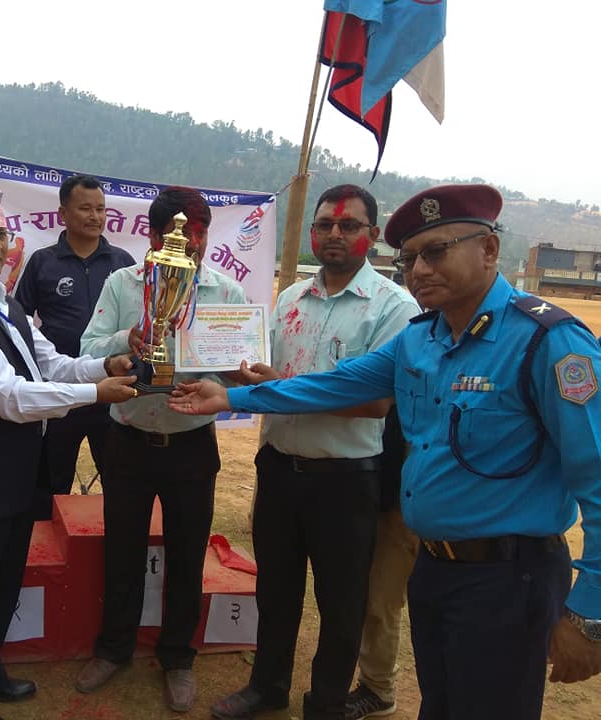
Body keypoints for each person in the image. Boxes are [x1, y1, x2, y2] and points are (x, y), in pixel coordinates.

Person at [169, 184, 601, 720]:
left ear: (489, 249)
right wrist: (231, 397)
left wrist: (590, 614)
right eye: (410, 258)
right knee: (440, 704)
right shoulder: (422, 338)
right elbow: (333, 385)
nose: (419, 270)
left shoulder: (548, 343)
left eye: (436, 252)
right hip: (435, 571)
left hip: (509, 579)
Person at [0, 185, 137, 720]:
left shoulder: (4, 299)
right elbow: (9, 396)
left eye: (0, 234)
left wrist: (103, 366)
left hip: (14, 476)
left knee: (1, 585)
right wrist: (95, 394)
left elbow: (51, 363)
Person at [210, 185, 419, 720]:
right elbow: (268, 375)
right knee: (276, 591)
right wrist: (227, 363)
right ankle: (267, 687)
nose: (334, 234)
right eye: (325, 224)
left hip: (345, 480)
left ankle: (325, 703)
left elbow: (375, 402)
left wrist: (273, 387)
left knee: (342, 603)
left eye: (349, 225)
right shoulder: (290, 299)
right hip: (279, 468)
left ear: (373, 235)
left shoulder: (394, 307)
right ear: (312, 233)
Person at [74, 186, 246, 714]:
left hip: (191, 443)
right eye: (180, 233)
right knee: (122, 549)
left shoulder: (226, 293)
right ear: (152, 234)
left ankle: (177, 657)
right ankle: (114, 648)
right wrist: (125, 340)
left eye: (200, 233)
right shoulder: (122, 283)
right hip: (128, 438)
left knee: (188, 555)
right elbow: (87, 347)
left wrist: (225, 378)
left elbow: (237, 368)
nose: (191, 243)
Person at [15, 174, 135, 497]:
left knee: (120, 483)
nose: (95, 216)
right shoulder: (42, 262)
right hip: (59, 390)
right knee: (50, 485)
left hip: (111, 389)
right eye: (85, 208)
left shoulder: (122, 263)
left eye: (101, 209)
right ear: (63, 214)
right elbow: (19, 321)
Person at [344, 406, 420, 720]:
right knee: (364, 595)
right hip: (370, 487)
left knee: (381, 600)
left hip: (402, 502)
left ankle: (378, 688)